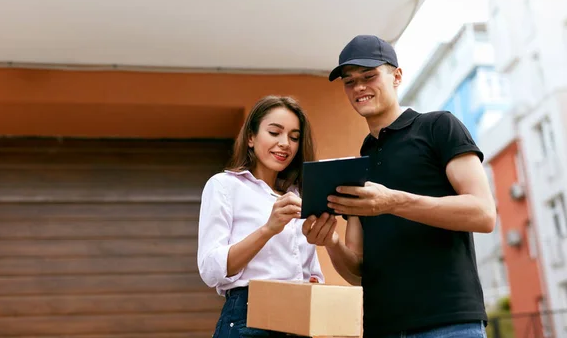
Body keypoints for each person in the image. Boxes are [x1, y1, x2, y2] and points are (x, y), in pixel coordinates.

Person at [302, 35, 496, 338]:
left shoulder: (438, 127)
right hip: (382, 329)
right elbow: (358, 272)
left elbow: (484, 213)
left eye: (369, 76)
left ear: (397, 76)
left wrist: (393, 203)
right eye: (350, 82)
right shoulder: (360, 162)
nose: (359, 88)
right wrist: (329, 242)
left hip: (448, 324)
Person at [198, 95, 324, 338]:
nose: (285, 143)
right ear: (251, 137)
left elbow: (311, 272)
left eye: (294, 137)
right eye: (275, 132)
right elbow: (210, 269)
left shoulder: (300, 196)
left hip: (300, 318)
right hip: (248, 318)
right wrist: (268, 229)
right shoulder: (225, 186)